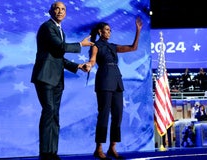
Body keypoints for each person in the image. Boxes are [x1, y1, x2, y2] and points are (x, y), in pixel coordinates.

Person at [30, 1, 94, 160]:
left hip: (57, 79)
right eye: (57, 8)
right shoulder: (47, 27)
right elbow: (60, 47)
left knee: (55, 115)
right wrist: (81, 44)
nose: (60, 11)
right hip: (45, 77)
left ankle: (52, 152)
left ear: (66, 13)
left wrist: (78, 66)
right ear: (50, 11)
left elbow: (58, 57)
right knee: (49, 111)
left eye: (63, 9)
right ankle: (45, 153)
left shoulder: (60, 30)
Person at [83, 17, 143, 159]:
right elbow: (92, 59)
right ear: (100, 31)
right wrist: (89, 65)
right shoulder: (96, 45)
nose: (109, 32)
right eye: (107, 30)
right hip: (104, 80)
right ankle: (99, 149)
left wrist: (138, 31)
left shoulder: (112, 46)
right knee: (103, 115)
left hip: (116, 81)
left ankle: (112, 148)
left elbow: (133, 48)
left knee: (118, 115)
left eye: (110, 30)